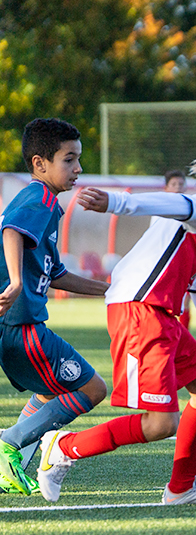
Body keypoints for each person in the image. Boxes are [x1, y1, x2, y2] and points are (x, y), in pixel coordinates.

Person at [33, 139, 196, 505]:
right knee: (161, 424)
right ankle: (64, 447)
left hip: (160, 315)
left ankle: (181, 489)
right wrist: (116, 203)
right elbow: (172, 202)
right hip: (140, 312)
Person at [0, 118, 110, 496]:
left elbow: (56, 274)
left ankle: (9, 466)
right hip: (22, 326)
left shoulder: (44, 203)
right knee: (92, 389)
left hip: (15, 324)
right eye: (69, 159)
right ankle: (8, 444)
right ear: (40, 163)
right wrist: (16, 282)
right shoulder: (40, 199)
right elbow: (11, 231)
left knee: (49, 393)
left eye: (78, 159)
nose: (78, 168)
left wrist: (111, 290)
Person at [163, 169, 192, 329]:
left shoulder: (190, 209)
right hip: (165, 262)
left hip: (183, 261)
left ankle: (183, 333)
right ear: (166, 188)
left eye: (181, 184)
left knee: (185, 300)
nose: (178, 187)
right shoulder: (160, 209)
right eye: (173, 184)